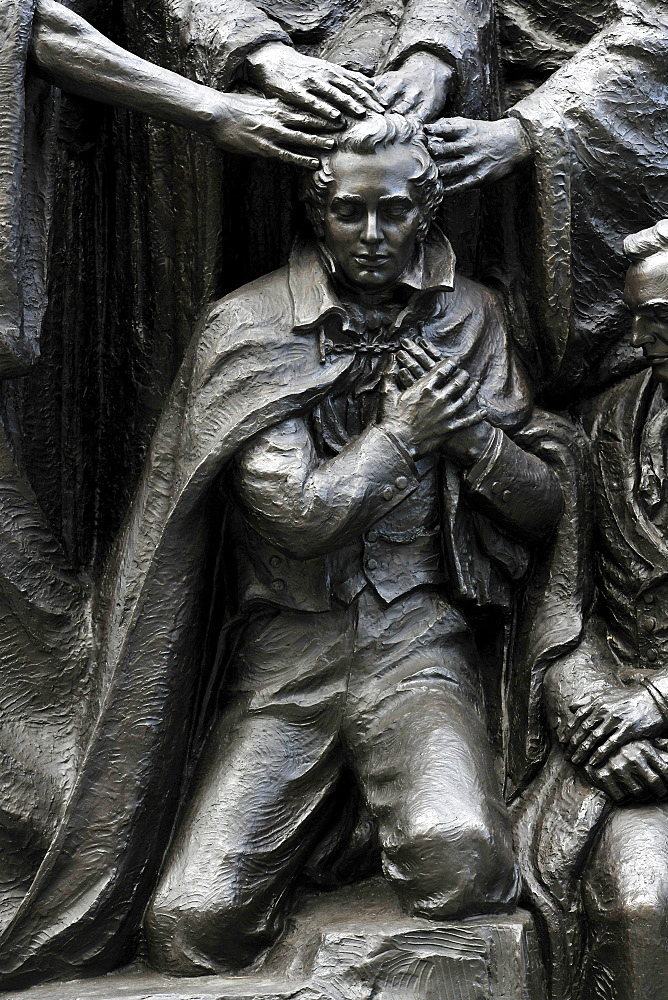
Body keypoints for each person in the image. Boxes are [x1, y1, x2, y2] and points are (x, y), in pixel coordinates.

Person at [0, 112, 582, 988]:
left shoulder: (472, 317)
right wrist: (403, 434)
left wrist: (478, 444)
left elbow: (546, 511)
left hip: (417, 646)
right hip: (287, 664)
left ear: (427, 212)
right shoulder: (251, 326)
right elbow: (299, 516)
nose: (374, 235)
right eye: (352, 213)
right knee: (191, 925)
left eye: (394, 212)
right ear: (319, 214)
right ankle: (324, 859)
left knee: (463, 863)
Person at [515, 220, 668, 1000]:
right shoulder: (605, 420)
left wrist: (652, 702)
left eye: (667, 316)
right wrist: (587, 716)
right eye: (641, 316)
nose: (649, 337)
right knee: (640, 904)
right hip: (619, 742)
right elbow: (561, 601)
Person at [425, 0, 668, 392]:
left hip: (610, 131)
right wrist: (431, 54)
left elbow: (658, 22)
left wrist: (534, 128)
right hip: (474, 113)